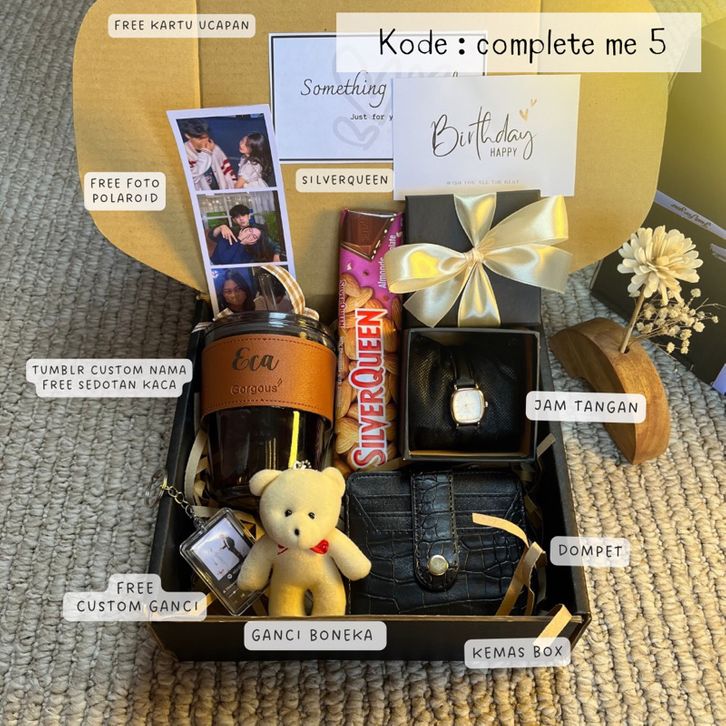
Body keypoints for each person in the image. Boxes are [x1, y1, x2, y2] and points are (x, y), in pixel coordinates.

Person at [179, 119, 236, 191]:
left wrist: (235, 189)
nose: (205, 141)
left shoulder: (215, 148)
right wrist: (206, 153)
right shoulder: (182, 153)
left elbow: (228, 172)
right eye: (200, 139)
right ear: (188, 136)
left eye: (206, 137)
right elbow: (192, 178)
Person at [210, 222, 283, 265]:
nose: (249, 235)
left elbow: (235, 264)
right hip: (212, 266)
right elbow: (224, 260)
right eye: (250, 230)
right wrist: (239, 240)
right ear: (244, 228)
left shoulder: (249, 252)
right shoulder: (228, 236)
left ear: (254, 242)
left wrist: (241, 243)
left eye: (254, 236)